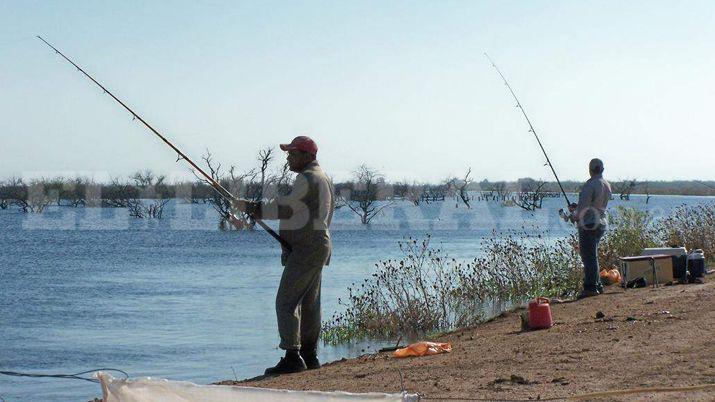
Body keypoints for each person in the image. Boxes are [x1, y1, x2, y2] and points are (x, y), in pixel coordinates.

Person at [231, 136, 335, 375]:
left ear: (308, 156)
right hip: (314, 247)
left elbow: (287, 207)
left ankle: (292, 356)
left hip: (308, 249)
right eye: (289, 153)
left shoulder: (308, 178)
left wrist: (253, 208)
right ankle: (309, 355)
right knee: (309, 304)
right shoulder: (323, 178)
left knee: (286, 302)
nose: (288, 157)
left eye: (293, 153)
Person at [568, 158, 612, 299]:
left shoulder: (590, 185)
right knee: (592, 255)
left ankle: (591, 287)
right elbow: (595, 205)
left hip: (589, 224)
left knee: (588, 256)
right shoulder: (606, 184)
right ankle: (597, 285)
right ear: (602, 169)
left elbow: (583, 208)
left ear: (590, 169)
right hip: (601, 222)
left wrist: (574, 216)